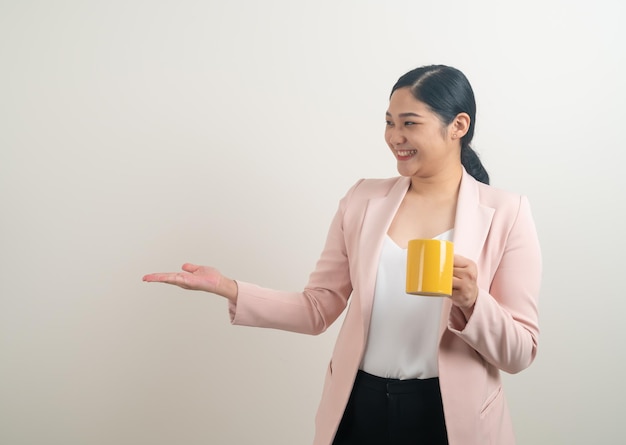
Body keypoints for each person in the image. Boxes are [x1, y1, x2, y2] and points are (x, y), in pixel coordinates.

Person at [143, 64, 542, 445]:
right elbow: (318, 308)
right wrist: (229, 288)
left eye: (409, 123)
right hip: (358, 406)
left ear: (458, 126)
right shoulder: (363, 199)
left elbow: (520, 351)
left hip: (450, 417)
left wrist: (474, 303)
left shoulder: (506, 213)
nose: (394, 136)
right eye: (389, 122)